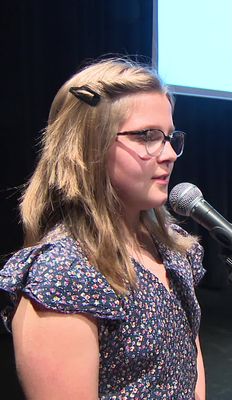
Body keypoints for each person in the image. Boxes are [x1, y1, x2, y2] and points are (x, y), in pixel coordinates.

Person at [0, 58, 206, 399]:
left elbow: (191, 360)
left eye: (169, 137)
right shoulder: (64, 275)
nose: (169, 154)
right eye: (148, 136)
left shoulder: (172, 247)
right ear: (88, 145)